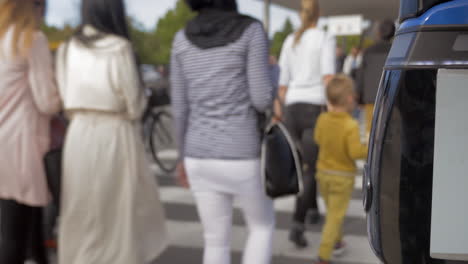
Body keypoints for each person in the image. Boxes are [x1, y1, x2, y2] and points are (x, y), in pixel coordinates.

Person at [56, 0, 167, 263]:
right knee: (117, 211)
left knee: (80, 208)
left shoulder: (66, 49)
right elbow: (134, 104)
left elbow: (63, 96)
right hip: (115, 130)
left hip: (79, 132)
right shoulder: (120, 48)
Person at [171, 0, 276, 263]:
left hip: (198, 154)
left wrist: (181, 157)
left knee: (215, 241)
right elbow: (261, 98)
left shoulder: (181, 38)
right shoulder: (251, 30)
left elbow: (179, 108)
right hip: (242, 152)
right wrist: (273, 76)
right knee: (261, 228)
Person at [0, 0, 61, 263]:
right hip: (21, 146)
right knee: (16, 233)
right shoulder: (31, 39)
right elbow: (47, 101)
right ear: (33, 8)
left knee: (22, 225)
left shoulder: (3, 38)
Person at [276, 0, 336, 248]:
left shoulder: (290, 40)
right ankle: (297, 223)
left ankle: (311, 210)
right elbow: (328, 77)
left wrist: (278, 110)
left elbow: (282, 83)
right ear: (318, 14)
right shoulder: (324, 38)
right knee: (311, 168)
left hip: (291, 108)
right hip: (314, 108)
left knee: (300, 166)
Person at [313, 75, 368, 264]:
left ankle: (337, 242)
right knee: (334, 217)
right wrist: (370, 147)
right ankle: (323, 255)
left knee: (332, 212)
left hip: (323, 174)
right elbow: (355, 152)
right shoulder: (350, 125)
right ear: (350, 99)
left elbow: (318, 139)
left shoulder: (322, 119)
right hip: (342, 177)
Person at [356, 19, 395, 135]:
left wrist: (359, 97)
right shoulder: (396, 50)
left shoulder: (367, 52)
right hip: (391, 98)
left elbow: (361, 75)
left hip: (371, 99)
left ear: (378, 33)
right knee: (390, 133)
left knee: (371, 133)